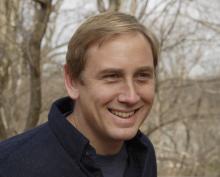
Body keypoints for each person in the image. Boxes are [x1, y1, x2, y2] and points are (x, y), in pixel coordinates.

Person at [0, 11, 159, 177]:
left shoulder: (143, 155)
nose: (131, 97)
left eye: (142, 76)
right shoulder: (10, 165)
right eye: (112, 77)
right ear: (72, 81)